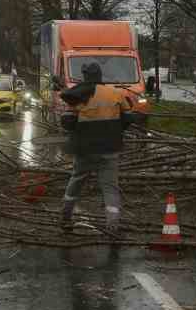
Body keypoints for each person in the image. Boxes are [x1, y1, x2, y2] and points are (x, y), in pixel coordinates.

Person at [58, 61, 139, 240]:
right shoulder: (115, 93)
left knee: (77, 180)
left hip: (85, 149)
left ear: (85, 76)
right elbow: (128, 118)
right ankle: (113, 225)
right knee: (110, 187)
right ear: (100, 75)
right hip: (110, 148)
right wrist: (114, 130)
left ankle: (65, 216)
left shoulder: (78, 95)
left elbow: (67, 122)